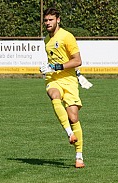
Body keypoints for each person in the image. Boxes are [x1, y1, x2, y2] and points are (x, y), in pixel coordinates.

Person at [40, 7, 86, 168]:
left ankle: (79, 156)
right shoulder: (46, 40)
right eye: (45, 20)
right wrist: (47, 68)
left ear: (58, 20)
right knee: (54, 96)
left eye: (50, 20)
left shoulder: (67, 36)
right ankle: (69, 134)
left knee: (73, 117)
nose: (47, 23)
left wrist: (61, 67)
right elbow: (52, 61)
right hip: (53, 79)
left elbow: (77, 60)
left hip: (69, 80)